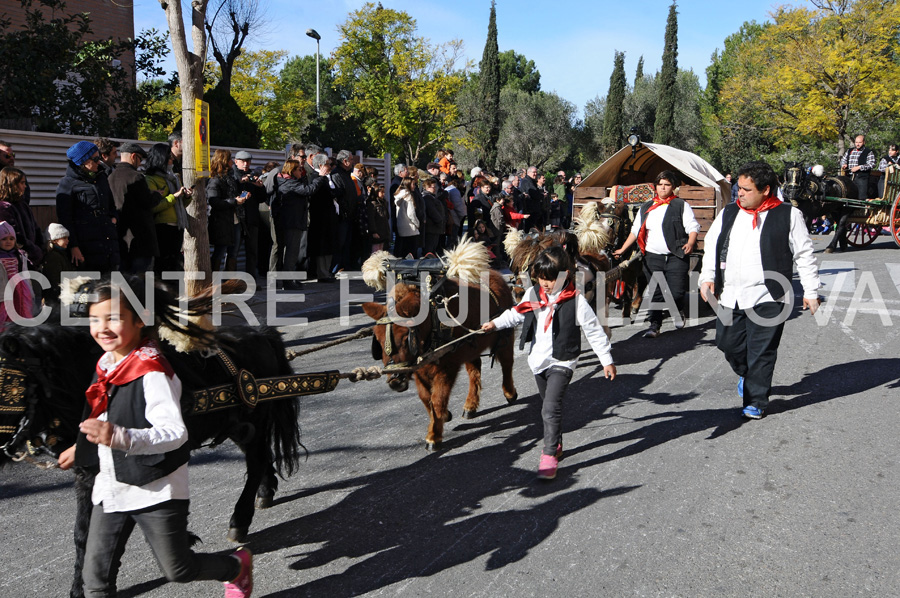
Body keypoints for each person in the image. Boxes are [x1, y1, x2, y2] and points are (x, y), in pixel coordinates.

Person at [57, 277, 253, 597]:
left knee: (179, 570)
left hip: (155, 487)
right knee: (95, 582)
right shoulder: (108, 362)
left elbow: (175, 433)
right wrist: (81, 447)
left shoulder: (152, 370)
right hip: (112, 487)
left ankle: (235, 567)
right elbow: (107, 415)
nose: (102, 327)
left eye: (114, 318)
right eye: (95, 319)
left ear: (140, 320)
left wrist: (118, 436)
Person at [481, 245, 616, 480]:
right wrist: (495, 323)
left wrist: (606, 360)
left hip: (563, 360)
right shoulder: (534, 295)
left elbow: (593, 331)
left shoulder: (577, 301)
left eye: (550, 279)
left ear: (564, 275)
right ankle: (558, 443)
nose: (545, 283)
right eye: (541, 277)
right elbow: (516, 313)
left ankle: (549, 454)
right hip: (539, 359)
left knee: (550, 407)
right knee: (548, 406)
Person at [700, 161, 820, 420]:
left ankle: (756, 400)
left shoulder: (789, 215)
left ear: (765, 190)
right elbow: (712, 245)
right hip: (731, 294)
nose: (739, 193)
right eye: (738, 188)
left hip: (770, 296)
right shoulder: (730, 212)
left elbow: (804, 254)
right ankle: (747, 374)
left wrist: (811, 291)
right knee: (726, 343)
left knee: (762, 351)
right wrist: (708, 277)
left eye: (746, 189)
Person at [613, 170, 700, 338]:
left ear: (673, 188)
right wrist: (623, 249)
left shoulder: (681, 205)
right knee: (655, 292)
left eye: (667, 185)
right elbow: (635, 230)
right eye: (660, 185)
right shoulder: (646, 207)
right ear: (655, 187)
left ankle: (678, 309)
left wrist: (690, 242)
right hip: (653, 257)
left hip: (676, 255)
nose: (663, 188)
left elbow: (693, 226)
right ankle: (655, 325)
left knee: (676, 292)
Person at [55, 141, 120, 273]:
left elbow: (111, 205)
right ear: (82, 161)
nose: (99, 162)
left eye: (100, 158)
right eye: (95, 158)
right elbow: (65, 218)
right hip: (86, 247)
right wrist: (74, 246)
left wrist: (113, 219)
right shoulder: (67, 184)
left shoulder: (102, 178)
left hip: (108, 243)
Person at [270, 159, 328, 290]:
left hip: (286, 221)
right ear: (292, 171)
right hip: (292, 222)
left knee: (281, 250)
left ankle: (280, 280)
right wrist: (320, 177)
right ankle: (287, 281)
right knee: (291, 251)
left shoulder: (283, 181)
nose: (301, 172)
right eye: (299, 169)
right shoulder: (290, 184)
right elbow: (308, 190)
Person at [108, 143, 160, 275]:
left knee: (123, 279)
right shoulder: (136, 177)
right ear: (133, 156)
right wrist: (157, 194)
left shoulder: (110, 177)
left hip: (120, 238)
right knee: (141, 282)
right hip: (140, 240)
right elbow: (146, 202)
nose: (140, 163)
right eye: (140, 159)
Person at [143, 143, 193, 275]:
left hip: (177, 225)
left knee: (174, 262)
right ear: (161, 159)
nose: (172, 160)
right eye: (169, 158)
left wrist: (186, 196)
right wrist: (174, 196)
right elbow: (154, 207)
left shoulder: (174, 177)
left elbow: (181, 204)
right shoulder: (150, 179)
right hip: (162, 226)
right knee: (163, 263)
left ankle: (173, 292)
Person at [206, 149, 241, 272]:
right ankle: (213, 280)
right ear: (224, 161)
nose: (232, 162)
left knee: (233, 252)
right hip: (221, 222)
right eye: (230, 159)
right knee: (220, 251)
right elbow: (214, 201)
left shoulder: (230, 178)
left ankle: (229, 282)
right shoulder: (215, 180)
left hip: (234, 221)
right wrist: (234, 201)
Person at [0, 166, 44, 266]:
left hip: (31, 258)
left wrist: (40, 248)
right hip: (15, 260)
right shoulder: (4, 207)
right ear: (11, 184)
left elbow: (36, 228)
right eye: (22, 183)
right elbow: (14, 236)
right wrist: (33, 251)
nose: (25, 186)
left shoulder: (23, 205)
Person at [306, 153, 338, 282]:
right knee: (321, 246)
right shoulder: (315, 177)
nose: (330, 167)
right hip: (320, 217)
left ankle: (327, 271)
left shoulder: (327, 178)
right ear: (321, 165)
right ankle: (322, 273)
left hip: (328, 216)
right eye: (328, 164)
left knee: (328, 244)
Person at [0, 220, 33, 325]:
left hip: (19, 289)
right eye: (4, 239)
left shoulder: (19, 255)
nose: (8, 241)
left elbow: (24, 272)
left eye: (11, 239)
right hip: (3, 290)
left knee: (21, 311)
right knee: (4, 314)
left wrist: (30, 290)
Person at [39, 223, 73, 304]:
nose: (68, 241)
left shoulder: (61, 254)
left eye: (68, 238)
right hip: (54, 299)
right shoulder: (53, 257)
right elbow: (54, 281)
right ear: (55, 240)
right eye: (64, 238)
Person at [840, 134, 875, 200]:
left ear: (864, 142)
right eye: (856, 142)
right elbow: (843, 160)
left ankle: (861, 209)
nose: (857, 144)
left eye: (859, 142)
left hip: (862, 177)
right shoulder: (850, 151)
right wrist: (844, 164)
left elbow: (872, 164)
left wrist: (859, 167)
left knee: (861, 197)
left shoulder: (868, 152)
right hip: (849, 177)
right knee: (846, 195)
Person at [392, 177, 420, 257]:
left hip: (401, 225)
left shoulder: (398, 195)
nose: (414, 186)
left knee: (403, 249)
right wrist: (417, 223)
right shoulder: (408, 196)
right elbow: (411, 213)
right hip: (410, 226)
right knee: (411, 252)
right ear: (408, 184)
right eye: (413, 184)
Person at [421, 177, 446, 255]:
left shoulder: (432, 197)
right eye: (433, 187)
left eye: (435, 187)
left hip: (435, 228)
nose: (435, 189)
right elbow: (432, 212)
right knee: (429, 250)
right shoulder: (427, 198)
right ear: (427, 187)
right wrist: (440, 220)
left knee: (433, 248)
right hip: (431, 227)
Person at [365, 183, 391, 253]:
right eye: (382, 192)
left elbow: (386, 216)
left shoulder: (383, 203)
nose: (383, 194)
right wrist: (373, 231)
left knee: (381, 249)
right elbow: (371, 219)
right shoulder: (372, 204)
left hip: (383, 230)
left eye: (384, 192)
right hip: (377, 230)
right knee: (375, 250)